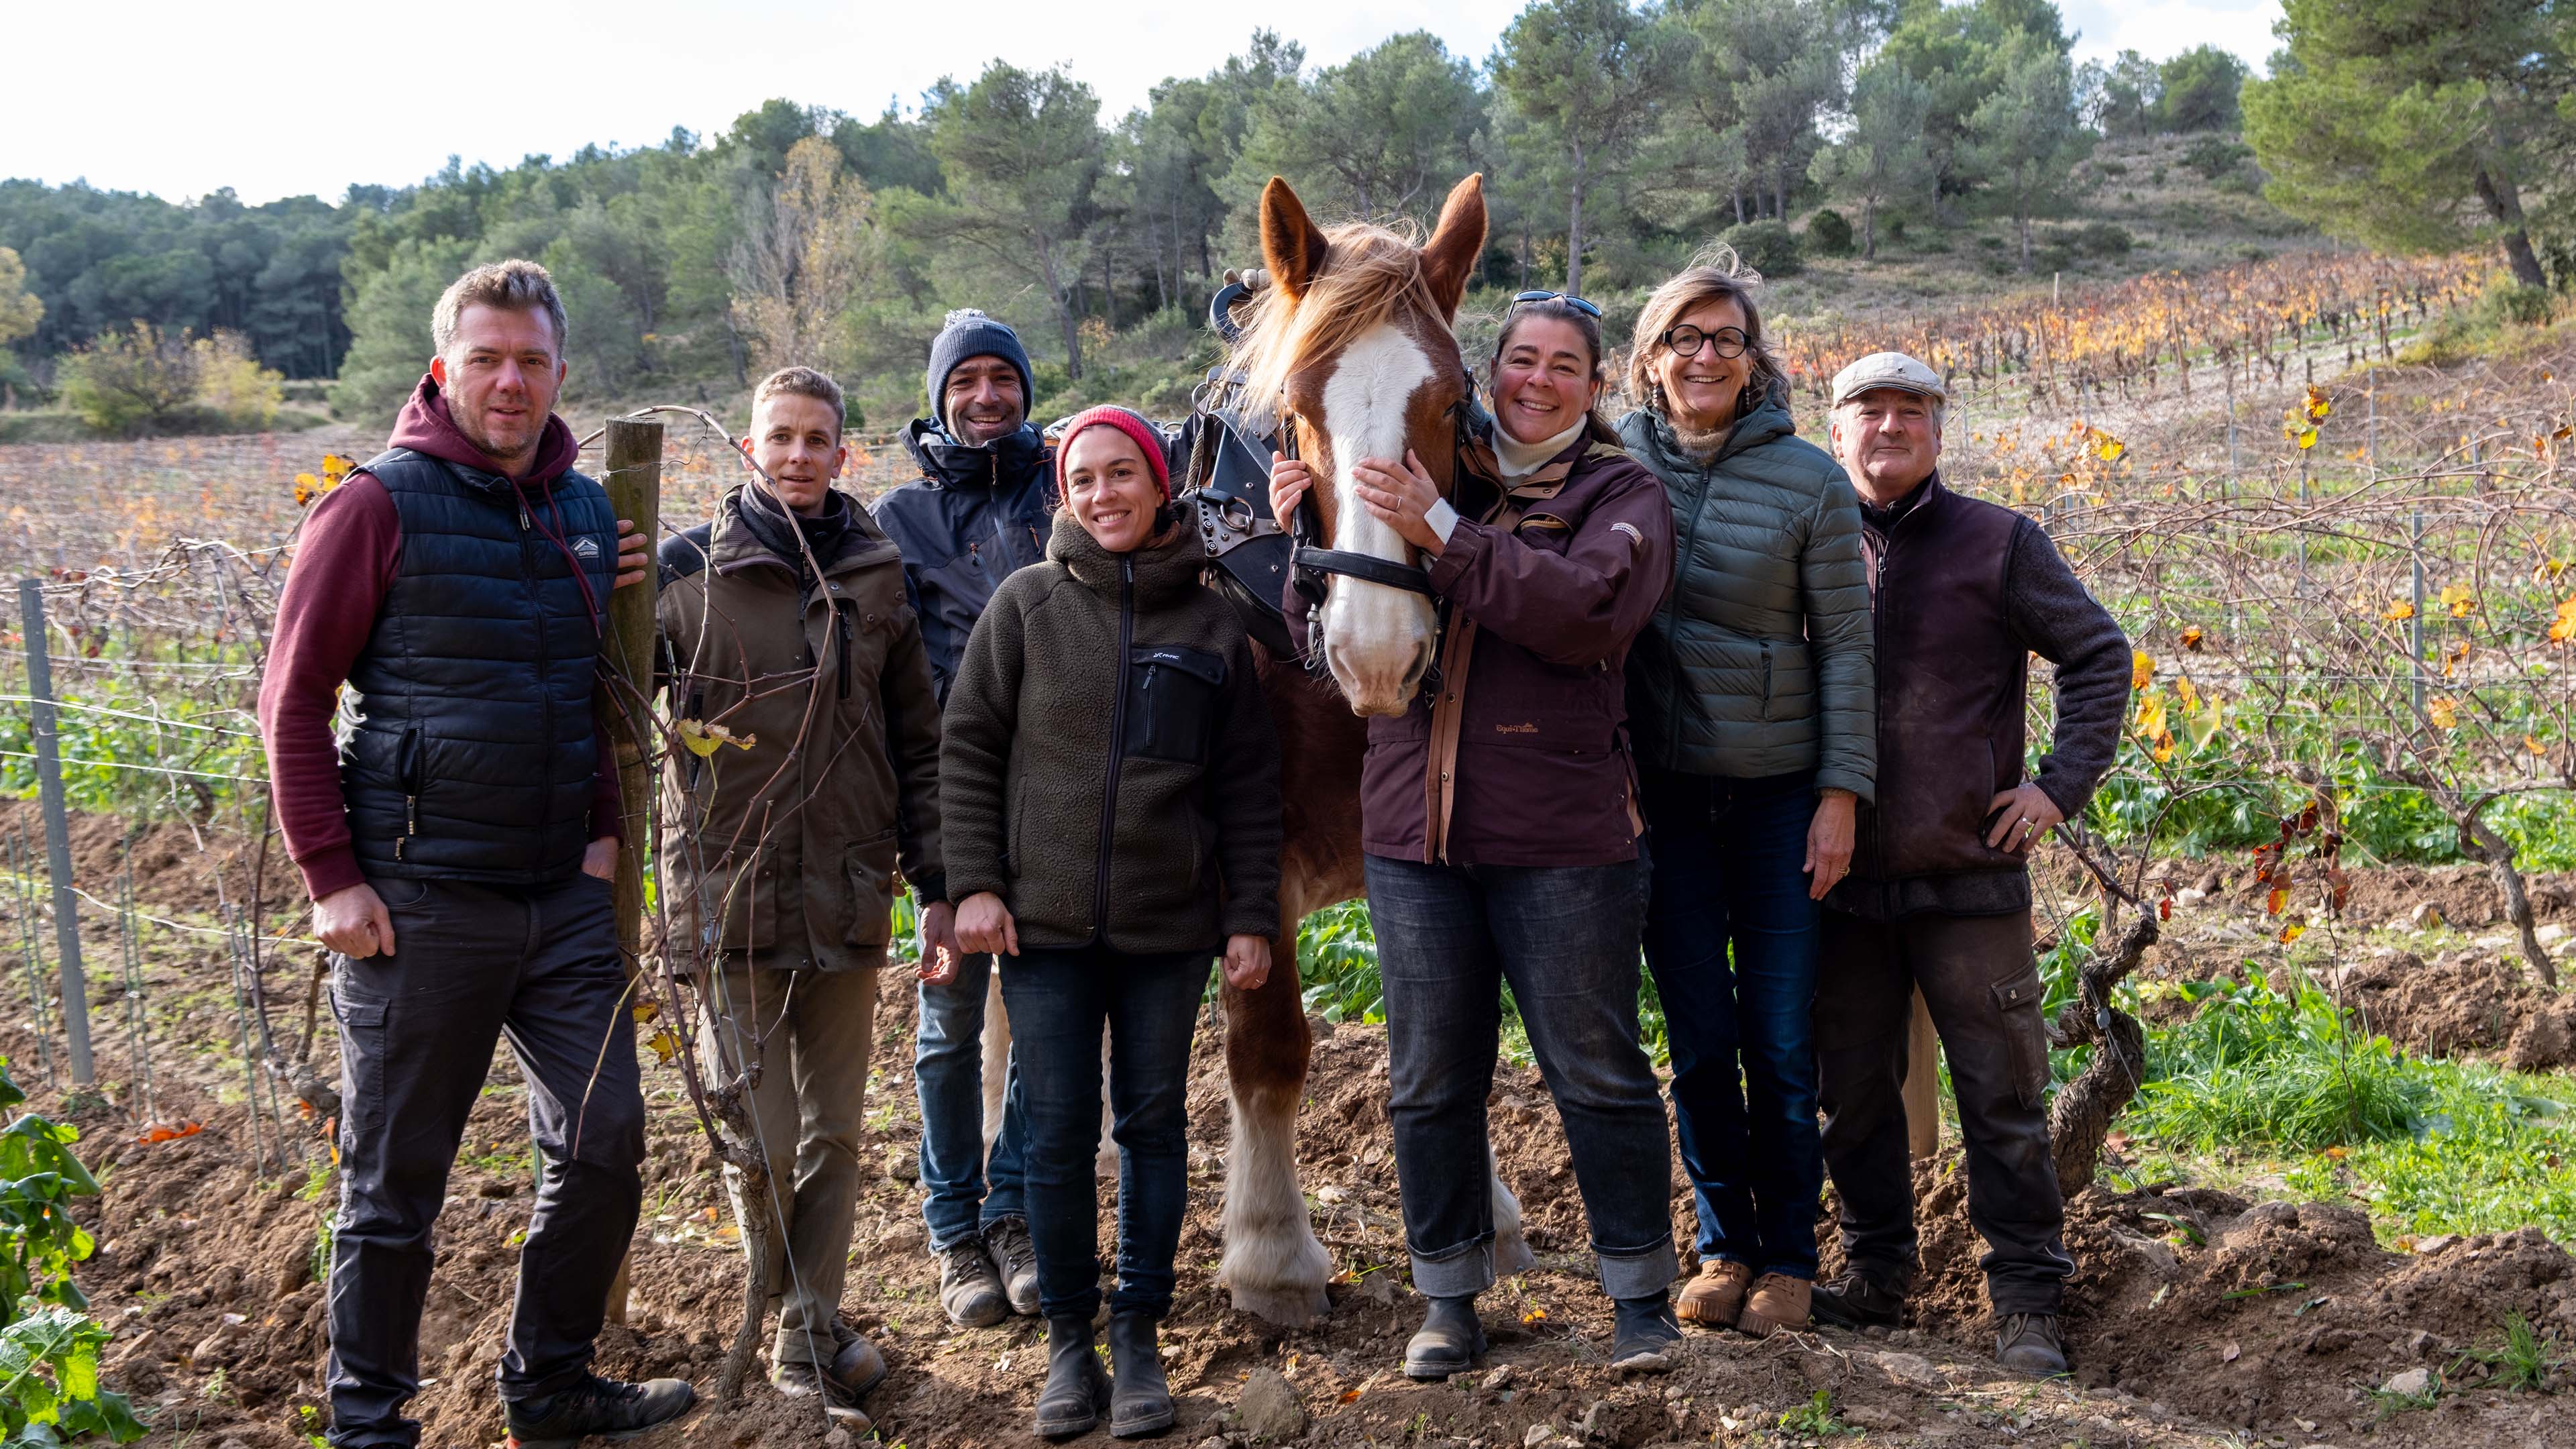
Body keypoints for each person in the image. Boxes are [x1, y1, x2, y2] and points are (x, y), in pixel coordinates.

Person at [256, 259, 694, 1448]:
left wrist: (604, 838)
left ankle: (549, 1385)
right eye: (488, 359)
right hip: (419, 902)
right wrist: (332, 878)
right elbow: (292, 704)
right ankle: (371, 1426)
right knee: (395, 1188)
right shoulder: (375, 505)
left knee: (604, 1148)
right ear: (444, 366)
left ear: (563, 373)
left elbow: (591, 693)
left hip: (561, 901)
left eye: (534, 362)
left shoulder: (587, 513)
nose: (511, 382)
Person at [1270, 294, 1682, 1380]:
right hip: (1415, 834)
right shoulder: (1441, 469)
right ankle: (1448, 1297)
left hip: (1562, 835)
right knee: (1428, 1078)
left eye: (1564, 365)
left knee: (1595, 1068)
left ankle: (1642, 1297)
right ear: (1486, 376)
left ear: (1597, 387)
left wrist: (1439, 533)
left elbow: (1584, 612)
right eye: (1520, 361)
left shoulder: (1622, 493)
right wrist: (1313, 536)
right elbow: (1326, 650)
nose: (1537, 380)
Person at [942, 406, 1281, 1440]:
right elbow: (968, 749)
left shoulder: (1216, 621)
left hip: (1166, 932)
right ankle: (1070, 1344)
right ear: (1065, 494)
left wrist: (1251, 913)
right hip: (1039, 933)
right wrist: (975, 886)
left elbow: (1248, 790)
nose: (1103, 495)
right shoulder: (1027, 606)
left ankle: (1139, 1335)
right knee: (1053, 1136)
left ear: (1159, 481)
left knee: (1151, 1129)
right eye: (1083, 479)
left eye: (1121, 474)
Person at [1811, 351, 2131, 1375]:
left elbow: (2098, 653)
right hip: (1839, 881)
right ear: (1837, 429)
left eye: (1913, 411)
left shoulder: (1998, 542)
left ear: (1939, 433)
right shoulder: (1808, 538)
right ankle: (1876, 1274)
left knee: (2002, 1092)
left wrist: (2056, 786)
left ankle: (2030, 1300)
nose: (1891, 427)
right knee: (1850, 1090)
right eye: (1871, 410)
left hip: (1969, 876)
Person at [657, 367, 953, 1431]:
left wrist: (935, 884)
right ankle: (799, 1319)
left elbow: (917, 741)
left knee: (836, 1131)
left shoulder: (876, 574)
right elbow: (612, 722)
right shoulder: (684, 575)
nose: (795, 455)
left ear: (843, 453)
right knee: (763, 1138)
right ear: (747, 448)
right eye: (777, 437)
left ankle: (803, 1328)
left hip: (845, 890)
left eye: (815, 439)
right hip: (727, 899)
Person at [1618, 261, 1875, 1338]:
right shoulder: (1610, 464)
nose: (1706, 355)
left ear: (1754, 357)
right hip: (1662, 803)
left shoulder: (1809, 480)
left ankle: (1790, 1257)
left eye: (1725, 338)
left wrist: (1841, 795)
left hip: (1776, 799)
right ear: (1650, 358)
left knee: (1776, 1039)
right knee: (1700, 1036)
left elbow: (1848, 647)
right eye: (1685, 337)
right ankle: (1722, 1244)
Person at [871, 309, 1052, 1326]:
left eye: (1002, 377)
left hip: (1055, 825)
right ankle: (953, 1233)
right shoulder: (900, 520)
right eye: (965, 381)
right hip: (948, 832)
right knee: (946, 1028)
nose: (986, 395)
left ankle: (1016, 1211)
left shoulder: (1064, 486)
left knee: (1039, 1023)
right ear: (939, 397)